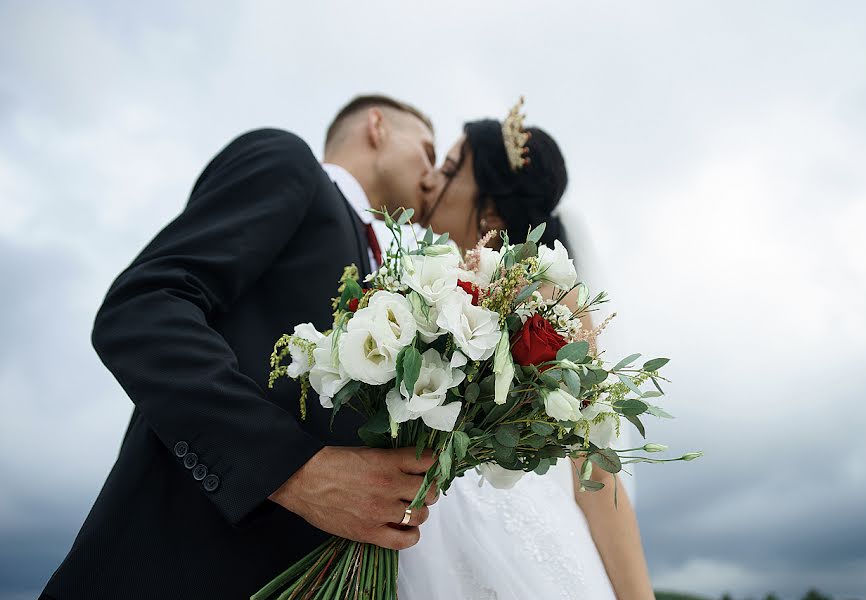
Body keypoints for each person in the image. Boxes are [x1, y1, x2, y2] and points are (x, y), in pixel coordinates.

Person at [40, 95, 442, 600]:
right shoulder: (288, 163)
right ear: (377, 126)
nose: (431, 176)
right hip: (174, 568)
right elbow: (145, 306)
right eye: (427, 151)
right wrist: (296, 472)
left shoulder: (388, 272)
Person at [398, 100, 656, 599]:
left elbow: (592, 468)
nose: (429, 180)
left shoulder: (549, 299)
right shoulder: (412, 285)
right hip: (415, 521)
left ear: (490, 207)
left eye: (450, 170)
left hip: (512, 535)